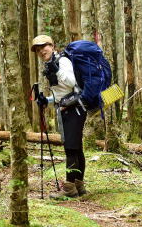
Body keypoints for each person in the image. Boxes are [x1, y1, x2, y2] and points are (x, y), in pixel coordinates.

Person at [31, 35, 87, 199]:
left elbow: (71, 82)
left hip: (75, 108)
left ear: (52, 45)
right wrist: (46, 100)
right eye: (38, 49)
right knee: (76, 148)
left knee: (70, 148)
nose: (42, 51)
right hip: (66, 108)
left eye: (44, 47)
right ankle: (78, 186)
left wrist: (57, 70)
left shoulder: (62, 61)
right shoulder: (50, 64)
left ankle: (69, 188)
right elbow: (61, 93)